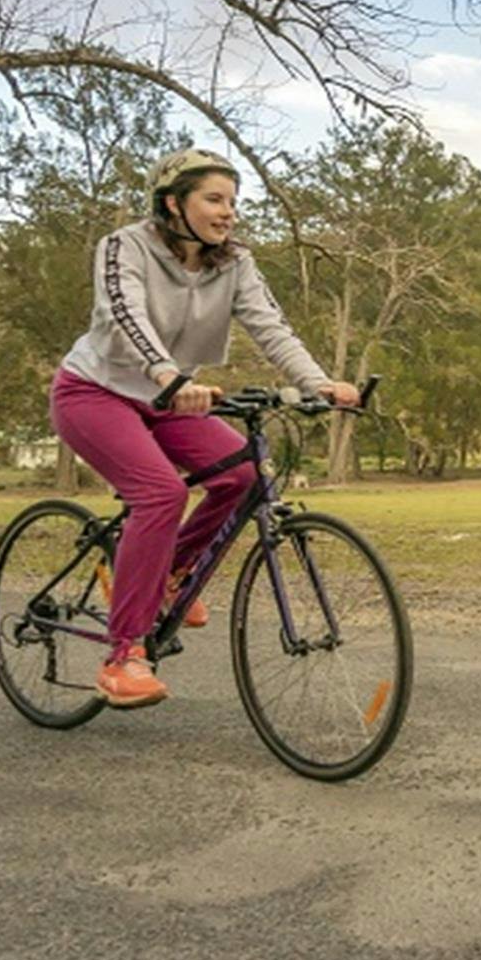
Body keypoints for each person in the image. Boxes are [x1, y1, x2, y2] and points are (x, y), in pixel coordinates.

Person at [50, 148, 358, 708]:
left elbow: (270, 325)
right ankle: (124, 656)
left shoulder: (233, 263)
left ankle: (163, 575)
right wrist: (167, 373)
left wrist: (317, 382)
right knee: (161, 492)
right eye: (214, 199)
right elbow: (126, 315)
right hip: (95, 391)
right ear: (173, 203)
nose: (228, 213)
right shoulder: (125, 246)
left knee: (244, 473)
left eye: (233, 202)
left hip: (171, 398)